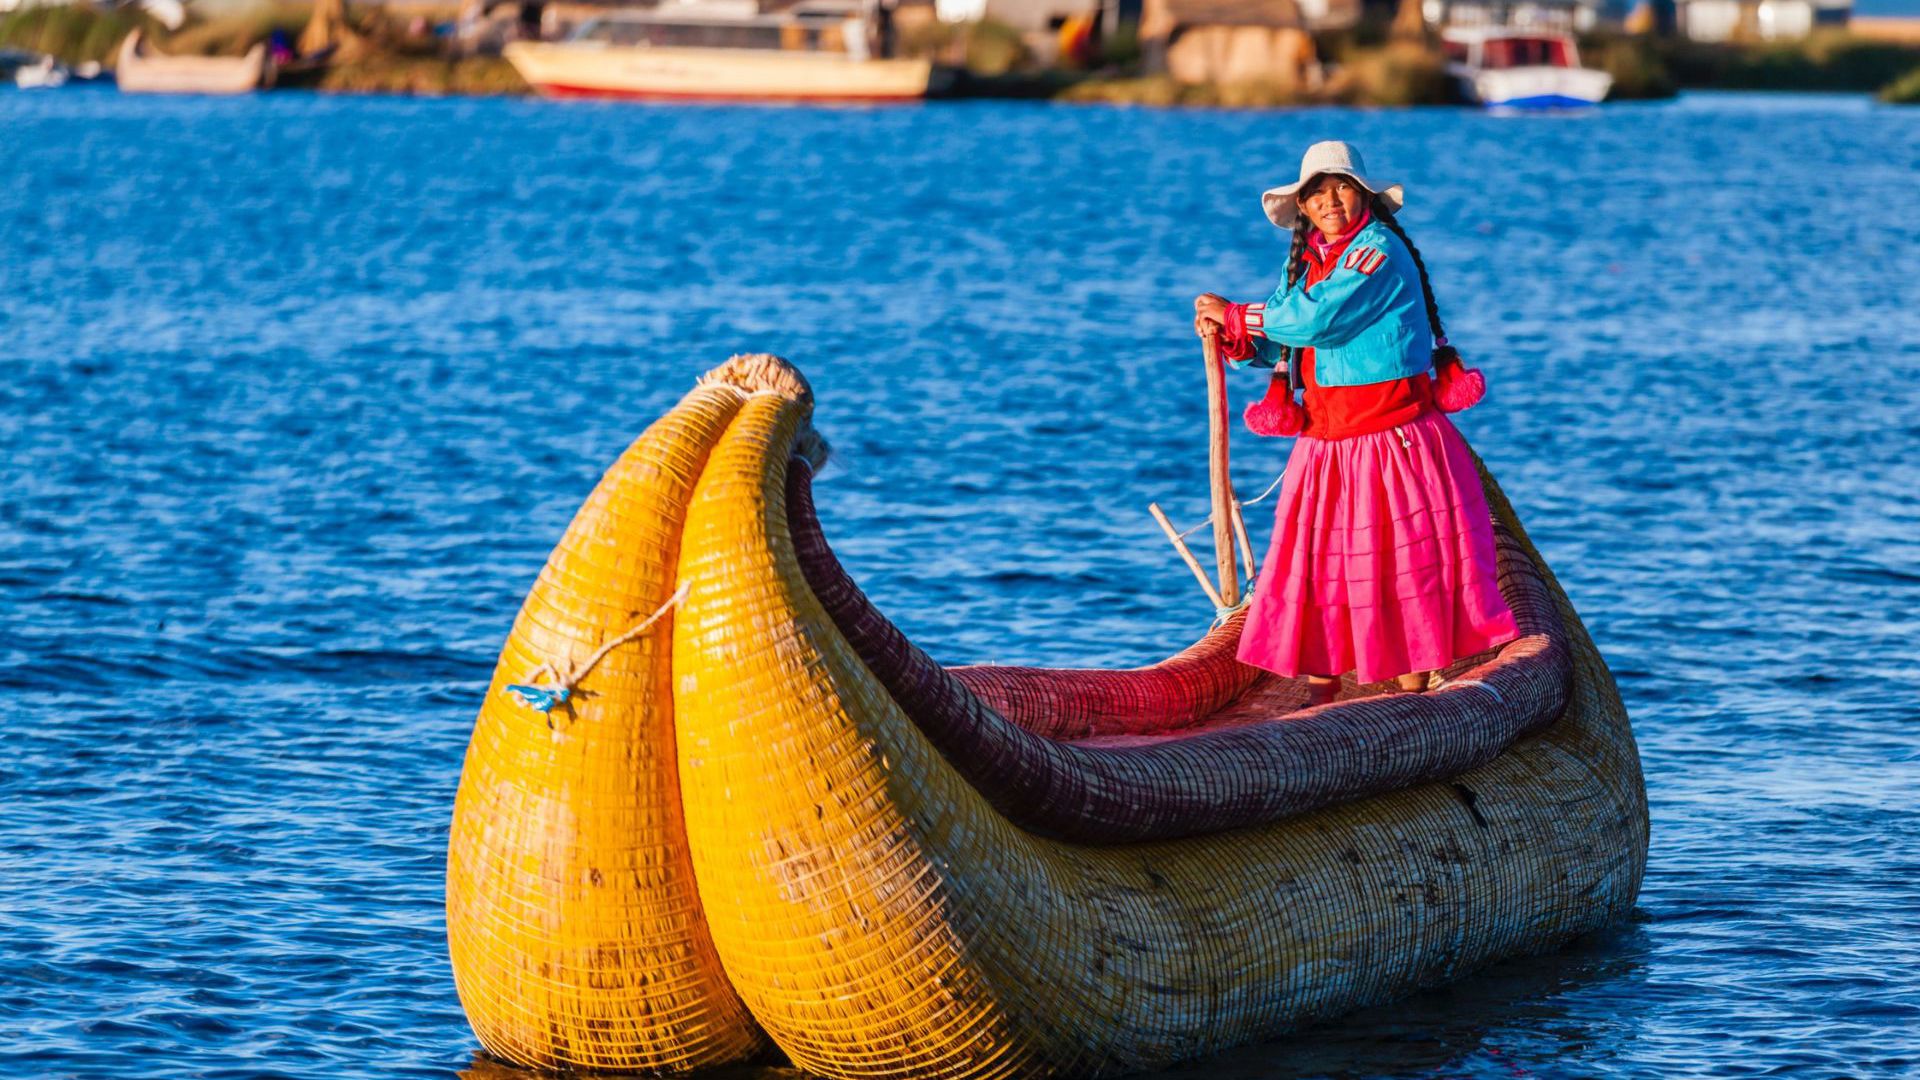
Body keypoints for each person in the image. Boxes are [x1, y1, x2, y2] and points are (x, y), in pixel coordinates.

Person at [1193, 140, 1518, 707]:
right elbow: (1284, 340)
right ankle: (1323, 701)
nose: (1328, 200)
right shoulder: (1308, 259)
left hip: (1388, 441)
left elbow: (1318, 318)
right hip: (1327, 444)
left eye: (1340, 186)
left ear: (1363, 194)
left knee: (1400, 569)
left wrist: (1237, 312)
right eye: (1316, 192)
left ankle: (1412, 700)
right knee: (1319, 571)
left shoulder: (1377, 254)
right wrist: (1234, 338)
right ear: (1304, 208)